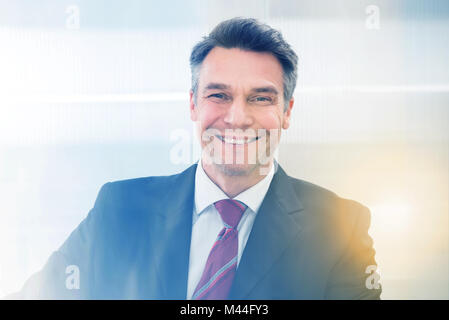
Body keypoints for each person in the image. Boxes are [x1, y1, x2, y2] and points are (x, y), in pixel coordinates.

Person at [8, 17, 381, 299]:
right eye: (218, 95)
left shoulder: (341, 228)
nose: (237, 117)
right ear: (193, 104)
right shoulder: (119, 208)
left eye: (261, 97)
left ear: (287, 111)